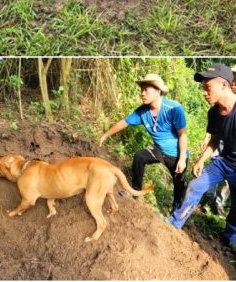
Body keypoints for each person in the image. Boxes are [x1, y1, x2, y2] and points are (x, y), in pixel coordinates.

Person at [168, 64, 236, 250]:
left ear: (224, 85)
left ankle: (231, 235)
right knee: (194, 185)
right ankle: (174, 223)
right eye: (203, 88)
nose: (204, 93)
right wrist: (201, 160)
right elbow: (214, 141)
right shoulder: (213, 113)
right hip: (224, 161)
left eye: (208, 87)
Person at [99, 73, 188, 212]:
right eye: (142, 90)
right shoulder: (142, 111)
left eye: (146, 89)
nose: (142, 93)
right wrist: (105, 135)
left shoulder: (174, 109)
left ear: (158, 91)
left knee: (179, 184)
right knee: (140, 157)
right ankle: (135, 191)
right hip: (158, 150)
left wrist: (182, 159)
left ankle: (176, 211)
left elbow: (182, 135)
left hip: (176, 154)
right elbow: (124, 122)